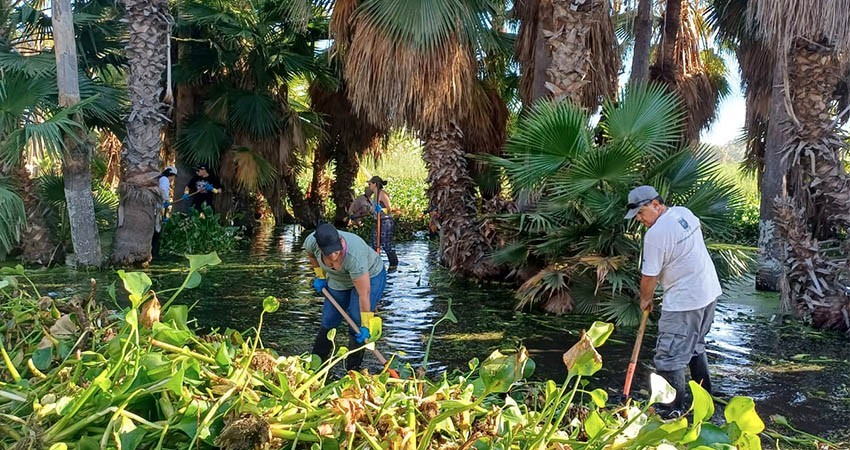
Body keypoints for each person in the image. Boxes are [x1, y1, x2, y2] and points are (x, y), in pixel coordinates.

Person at [626, 185, 721, 418]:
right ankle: (705, 403)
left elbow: (649, 276)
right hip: (708, 293)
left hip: (685, 302)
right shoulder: (684, 213)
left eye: (641, 213)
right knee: (695, 346)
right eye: (636, 215)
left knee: (669, 358)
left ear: (656, 204)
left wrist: (645, 300)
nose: (639, 219)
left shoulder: (655, 235)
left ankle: (671, 411)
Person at [306, 223, 387, 371]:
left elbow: (364, 293)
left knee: (356, 321)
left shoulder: (354, 255)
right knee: (329, 320)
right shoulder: (312, 242)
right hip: (338, 280)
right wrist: (320, 276)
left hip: (371, 276)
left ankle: (353, 370)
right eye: (329, 253)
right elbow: (311, 255)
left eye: (336, 252)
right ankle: (315, 366)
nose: (333, 257)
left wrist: (365, 324)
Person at [368, 176, 399, 267]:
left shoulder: (382, 194)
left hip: (386, 221)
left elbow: (389, 208)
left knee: (386, 244)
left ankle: (394, 264)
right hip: (377, 221)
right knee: (375, 243)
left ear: (375, 184)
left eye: (370, 184)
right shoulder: (375, 195)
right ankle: (376, 263)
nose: (369, 186)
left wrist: (381, 210)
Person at [152, 166, 177, 257]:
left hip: (157, 208)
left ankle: (154, 251)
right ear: (172, 175)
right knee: (156, 231)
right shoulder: (164, 180)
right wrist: (166, 200)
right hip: (157, 209)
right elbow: (163, 192)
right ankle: (154, 253)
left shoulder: (160, 179)